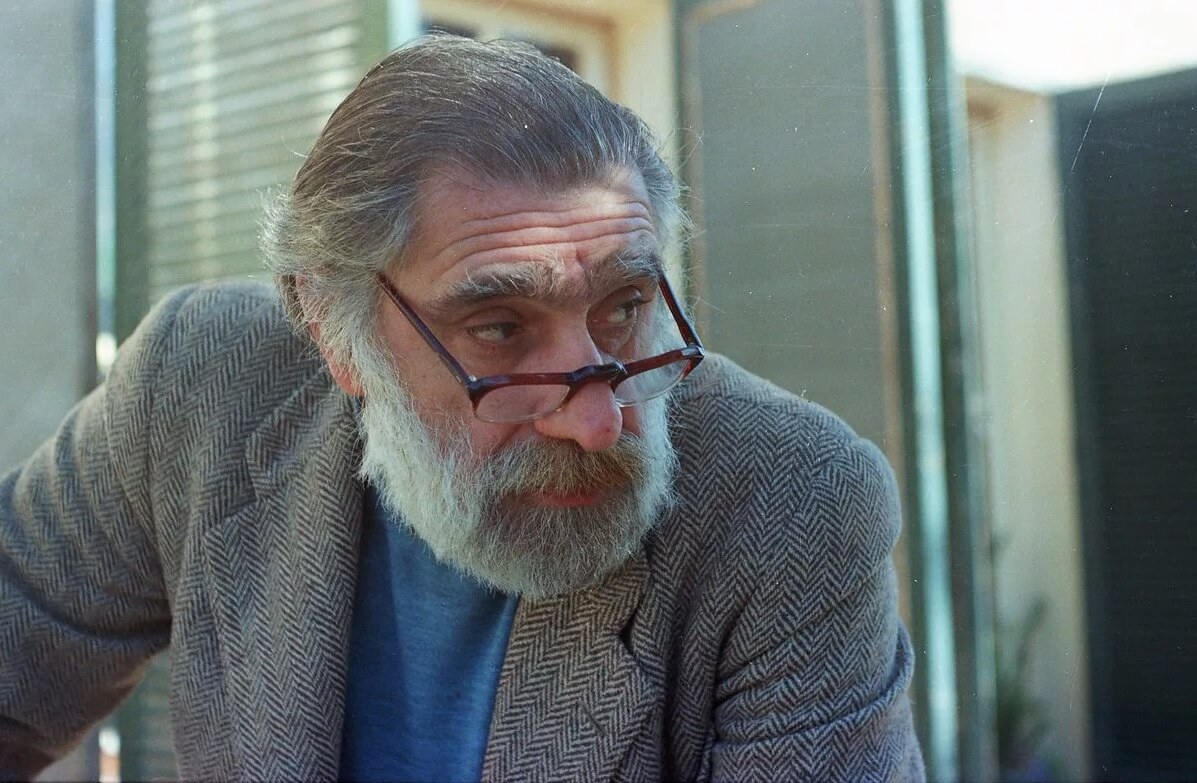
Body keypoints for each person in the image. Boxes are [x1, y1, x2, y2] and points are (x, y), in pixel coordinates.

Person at [0, 34, 923, 781]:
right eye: (498, 328)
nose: (595, 421)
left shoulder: (797, 502)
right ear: (330, 328)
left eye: (624, 307)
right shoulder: (201, 385)